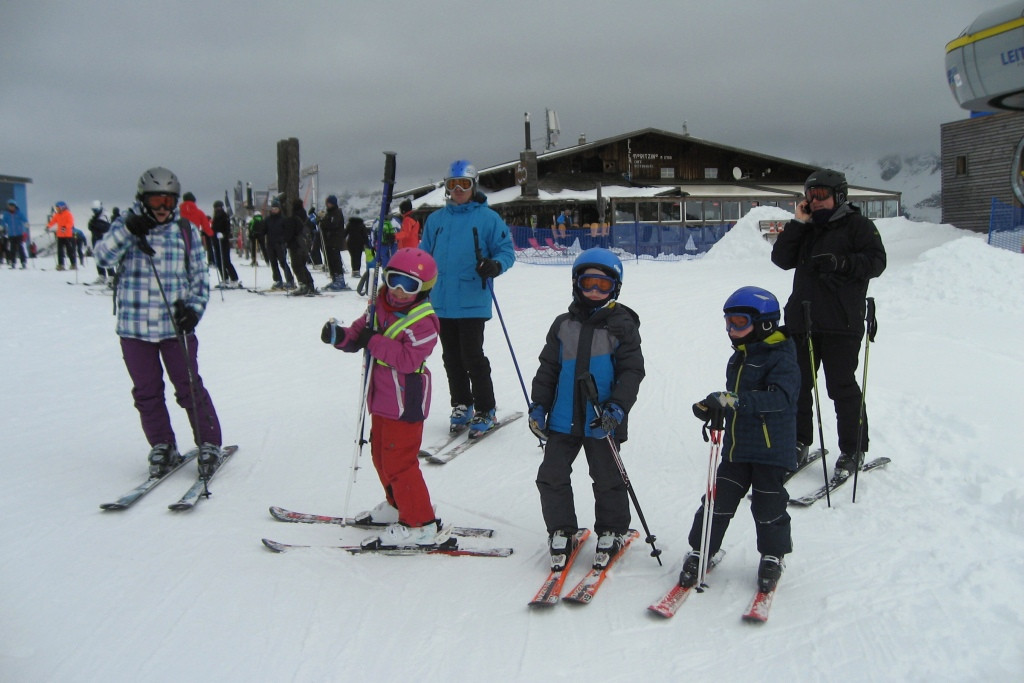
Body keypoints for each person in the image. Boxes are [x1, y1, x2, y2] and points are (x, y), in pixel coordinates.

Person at [93, 167, 225, 480]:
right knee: (147, 392)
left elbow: (199, 278)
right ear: (143, 199)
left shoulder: (184, 230)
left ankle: (209, 442)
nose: (163, 207)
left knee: (189, 387)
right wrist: (128, 230)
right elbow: (102, 257)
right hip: (134, 328)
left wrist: (193, 311)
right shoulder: (125, 225)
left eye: (168, 200)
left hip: (175, 328)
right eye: (156, 200)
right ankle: (162, 444)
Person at [320, 247, 448, 549]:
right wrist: (340, 337)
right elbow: (358, 334)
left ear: (423, 289)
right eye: (394, 280)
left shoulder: (425, 322)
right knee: (380, 456)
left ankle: (420, 524)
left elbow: (407, 359)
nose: (399, 291)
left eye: (409, 285)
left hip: (406, 401)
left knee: (400, 462)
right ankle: (397, 505)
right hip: (381, 399)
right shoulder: (378, 307)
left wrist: (373, 341)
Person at [529, 248, 645, 569]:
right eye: (588, 283)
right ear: (576, 284)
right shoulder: (563, 325)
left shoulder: (621, 326)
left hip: (602, 419)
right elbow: (548, 369)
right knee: (551, 475)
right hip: (562, 419)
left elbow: (632, 372)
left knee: (607, 477)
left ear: (615, 288)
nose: (594, 291)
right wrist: (539, 406)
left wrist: (617, 408)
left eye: (603, 285)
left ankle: (612, 529)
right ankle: (561, 530)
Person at [678, 286, 799, 594]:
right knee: (716, 501)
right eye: (728, 322)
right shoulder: (741, 357)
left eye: (740, 322)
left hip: (771, 450)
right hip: (737, 449)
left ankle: (773, 555)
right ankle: (701, 549)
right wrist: (714, 406)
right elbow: (735, 398)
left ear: (764, 324)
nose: (731, 330)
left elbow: (780, 399)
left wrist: (735, 401)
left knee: (768, 506)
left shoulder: (782, 357)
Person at [770, 169, 887, 479]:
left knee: (841, 387)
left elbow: (877, 262)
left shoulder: (858, 226)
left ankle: (853, 449)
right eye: (810, 195)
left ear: (840, 196)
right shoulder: (806, 228)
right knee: (797, 386)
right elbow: (781, 259)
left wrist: (842, 263)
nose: (815, 200)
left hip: (841, 322)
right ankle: (798, 441)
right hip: (803, 321)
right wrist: (797, 223)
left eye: (822, 194)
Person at [419, 160, 516, 435]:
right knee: (451, 357)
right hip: (441, 301)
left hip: (472, 298)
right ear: (447, 187)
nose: (458, 189)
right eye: (453, 184)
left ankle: (486, 408)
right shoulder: (436, 220)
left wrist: (495, 265)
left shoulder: (488, 218)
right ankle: (462, 404)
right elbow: (424, 257)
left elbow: (506, 251)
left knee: (472, 356)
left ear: (474, 186)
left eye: (464, 184)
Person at [264, 198, 295, 290]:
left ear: (279, 209)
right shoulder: (268, 219)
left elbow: (288, 231)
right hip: (270, 244)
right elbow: (264, 230)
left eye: (276, 208)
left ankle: (290, 280)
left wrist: (285, 240)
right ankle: (278, 280)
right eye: (273, 208)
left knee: (283, 262)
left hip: (280, 244)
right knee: (273, 263)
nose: (274, 210)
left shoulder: (283, 219)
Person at [287, 198, 316, 296]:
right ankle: (309, 283)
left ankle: (303, 284)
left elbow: (291, 232)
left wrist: (286, 240)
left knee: (297, 265)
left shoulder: (294, 218)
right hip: (305, 245)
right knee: (302, 265)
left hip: (296, 245)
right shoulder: (305, 216)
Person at [321, 195, 349, 291]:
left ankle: (339, 279)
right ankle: (334, 278)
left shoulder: (336, 213)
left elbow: (333, 224)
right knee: (330, 260)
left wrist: (323, 222)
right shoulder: (329, 213)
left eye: (329, 203)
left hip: (334, 240)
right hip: (329, 240)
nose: (327, 205)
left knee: (335, 259)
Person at [211, 199, 241, 288]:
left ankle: (234, 278)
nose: (218, 209)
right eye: (216, 208)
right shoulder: (215, 218)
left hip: (223, 242)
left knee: (226, 261)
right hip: (216, 242)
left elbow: (227, 229)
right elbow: (213, 229)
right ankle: (225, 278)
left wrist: (223, 235)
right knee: (219, 262)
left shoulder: (225, 217)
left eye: (219, 207)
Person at [178, 192, 214, 264]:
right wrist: (212, 234)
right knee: (195, 262)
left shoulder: (178, 212)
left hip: (180, 238)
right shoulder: (199, 212)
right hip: (194, 239)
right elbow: (206, 228)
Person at [87, 201, 113, 284]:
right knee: (98, 258)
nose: (94, 211)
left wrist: (95, 224)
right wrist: (94, 225)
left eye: (95, 210)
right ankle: (102, 275)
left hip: (104, 239)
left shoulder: (105, 215)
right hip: (96, 238)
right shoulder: (95, 216)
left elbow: (105, 227)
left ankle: (111, 275)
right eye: (93, 210)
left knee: (106, 257)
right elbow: (90, 226)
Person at [46, 201, 76, 270]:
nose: (57, 209)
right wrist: (48, 226)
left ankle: (73, 264)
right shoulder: (57, 215)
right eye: (56, 208)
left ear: (63, 207)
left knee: (69, 250)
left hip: (67, 235)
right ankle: (61, 264)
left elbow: (70, 223)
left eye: (58, 208)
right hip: (60, 235)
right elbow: (53, 221)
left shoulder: (68, 214)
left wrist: (65, 227)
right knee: (60, 251)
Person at [3, 199, 29, 269]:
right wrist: (2, 226)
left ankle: (23, 262)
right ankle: (13, 262)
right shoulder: (6, 214)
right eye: (10, 206)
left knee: (20, 248)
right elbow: (4, 221)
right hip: (11, 234)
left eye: (13, 206)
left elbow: (24, 219)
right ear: (8, 206)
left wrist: (26, 223)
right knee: (12, 248)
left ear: (15, 206)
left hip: (19, 233)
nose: (11, 207)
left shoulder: (19, 213)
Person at [344, 211, 369, 277]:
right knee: (358, 257)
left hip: (350, 242)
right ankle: (357, 271)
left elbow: (345, 233)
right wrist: (367, 243)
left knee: (353, 257)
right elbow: (365, 235)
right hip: (359, 243)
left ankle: (354, 270)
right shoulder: (361, 224)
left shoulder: (349, 224)